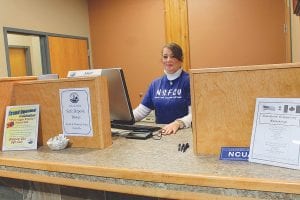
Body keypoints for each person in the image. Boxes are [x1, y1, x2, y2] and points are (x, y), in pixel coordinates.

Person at [133, 42, 192, 135]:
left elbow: (195, 115)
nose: (168, 60)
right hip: (162, 135)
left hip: (183, 134)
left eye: (173, 56)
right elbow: (141, 112)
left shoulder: (189, 81)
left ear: (181, 60)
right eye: (165, 57)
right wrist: (123, 119)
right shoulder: (155, 84)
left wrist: (178, 123)